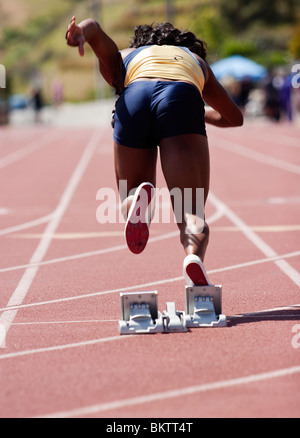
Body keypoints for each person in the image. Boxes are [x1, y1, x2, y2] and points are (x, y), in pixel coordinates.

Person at [65, 17, 243, 286]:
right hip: (181, 97)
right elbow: (233, 117)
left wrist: (82, 33)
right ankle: (192, 256)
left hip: (134, 96)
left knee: (132, 191)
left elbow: (96, 31)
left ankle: (136, 198)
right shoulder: (195, 61)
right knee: (190, 212)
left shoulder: (128, 57)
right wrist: (197, 113)